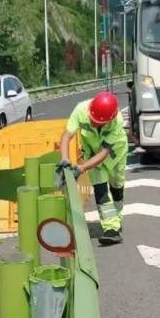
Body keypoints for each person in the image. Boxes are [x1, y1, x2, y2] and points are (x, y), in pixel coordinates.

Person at [57, 91, 129, 245]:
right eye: (92, 120)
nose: (93, 123)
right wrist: (64, 159)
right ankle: (111, 229)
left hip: (115, 153)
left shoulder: (116, 120)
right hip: (92, 155)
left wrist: (81, 168)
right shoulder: (80, 110)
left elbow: (104, 153)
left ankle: (116, 217)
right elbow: (66, 136)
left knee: (117, 187)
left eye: (98, 123)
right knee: (100, 189)